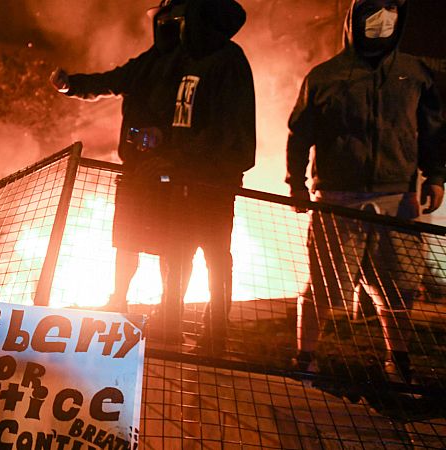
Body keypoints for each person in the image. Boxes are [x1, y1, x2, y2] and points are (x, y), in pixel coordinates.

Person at [51, 0, 255, 353]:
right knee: (174, 248)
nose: (169, 25)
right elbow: (117, 81)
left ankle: (215, 334)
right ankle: (168, 323)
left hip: (211, 179)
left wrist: (173, 151)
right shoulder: (176, 60)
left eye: (178, 18)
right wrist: (74, 85)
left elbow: (225, 129)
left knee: (215, 254)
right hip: (176, 174)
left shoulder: (226, 60)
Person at [286, 0, 446, 383]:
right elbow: (300, 133)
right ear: (354, 20)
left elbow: (433, 129)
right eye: (373, 12)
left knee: (399, 287)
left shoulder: (413, 74)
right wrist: (296, 183)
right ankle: (304, 358)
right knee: (324, 286)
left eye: (389, 11)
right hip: (338, 199)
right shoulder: (325, 77)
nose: (381, 20)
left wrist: (435, 176)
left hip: (399, 199)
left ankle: (399, 363)